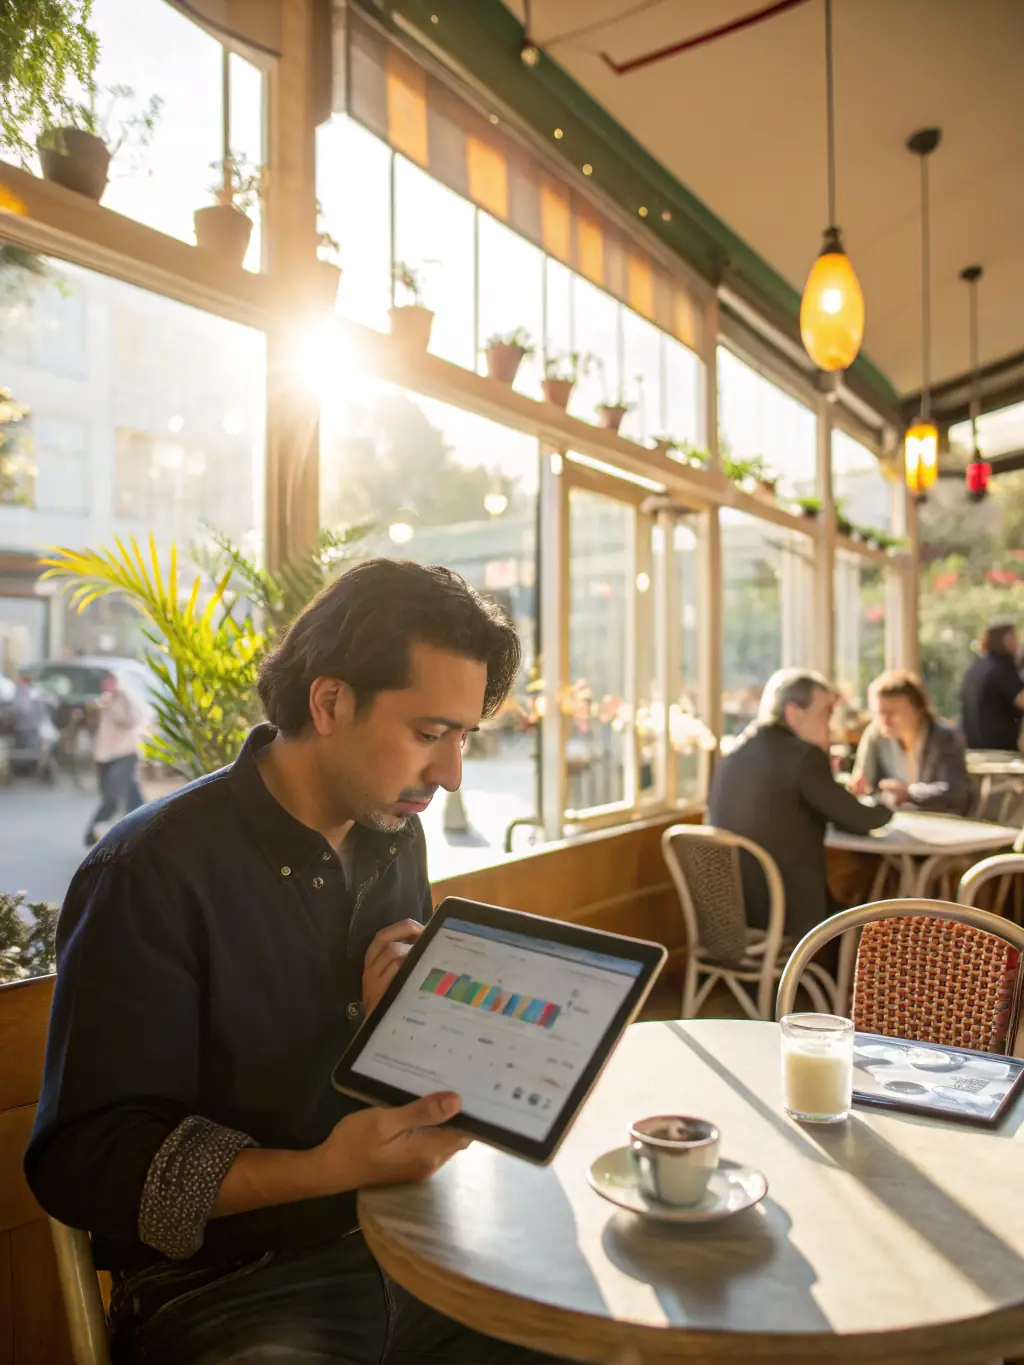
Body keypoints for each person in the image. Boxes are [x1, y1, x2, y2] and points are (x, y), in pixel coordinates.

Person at [25, 559, 569, 1365]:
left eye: (464, 737)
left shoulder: (394, 835)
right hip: (228, 1287)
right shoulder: (150, 872)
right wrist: (321, 1168)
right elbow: (85, 1162)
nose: (451, 774)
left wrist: (415, 1020)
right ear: (329, 700)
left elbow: (384, 1078)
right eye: (429, 733)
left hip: (409, 1237)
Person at [708, 669, 892, 939]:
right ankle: (849, 983)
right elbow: (862, 820)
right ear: (793, 712)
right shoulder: (803, 757)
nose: (830, 725)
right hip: (786, 916)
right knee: (874, 910)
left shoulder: (734, 753)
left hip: (728, 917)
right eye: (825, 713)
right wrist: (887, 801)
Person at [852, 669, 970, 815]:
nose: (885, 721)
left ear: (919, 709)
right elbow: (864, 782)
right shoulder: (876, 734)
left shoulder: (945, 738)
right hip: (892, 825)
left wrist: (910, 793)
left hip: (937, 824)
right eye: (879, 713)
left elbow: (955, 793)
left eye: (892, 713)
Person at [84, 671, 150, 846]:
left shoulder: (126, 697)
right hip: (106, 754)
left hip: (125, 752)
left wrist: (113, 703)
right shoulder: (104, 700)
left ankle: (95, 832)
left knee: (115, 795)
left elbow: (131, 719)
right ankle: (144, 827)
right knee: (127, 794)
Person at [961, 622, 1024, 753]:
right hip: (1000, 754)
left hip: (973, 752)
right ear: (1007, 640)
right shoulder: (1003, 668)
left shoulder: (974, 668)